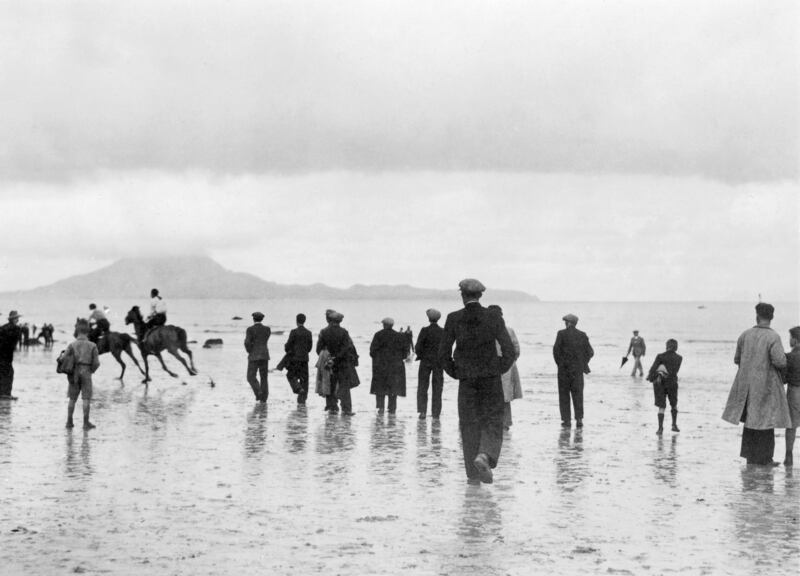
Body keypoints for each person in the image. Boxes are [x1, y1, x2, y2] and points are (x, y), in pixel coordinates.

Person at [438, 279, 515, 485]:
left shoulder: (453, 318)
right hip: (490, 378)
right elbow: (509, 350)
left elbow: (443, 353)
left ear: (462, 295)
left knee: (469, 424)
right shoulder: (493, 317)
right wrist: (498, 368)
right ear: (480, 295)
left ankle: (473, 477)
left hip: (467, 380)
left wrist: (456, 371)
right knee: (492, 420)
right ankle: (486, 455)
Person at [722, 303, 791, 466]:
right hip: (766, 384)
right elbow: (780, 361)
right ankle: (766, 459)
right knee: (767, 420)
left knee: (751, 419)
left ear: (757, 316)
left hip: (745, 384)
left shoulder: (745, 335)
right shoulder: (773, 337)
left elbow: (736, 359)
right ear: (772, 318)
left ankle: (750, 456)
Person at [553, 313, 594, 428]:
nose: (565, 323)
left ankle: (566, 420)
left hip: (563, 371)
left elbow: (556, 351)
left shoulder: (561, 334)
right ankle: (579, 419)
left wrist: (560, 364)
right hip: (577, 371)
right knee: (578, 395)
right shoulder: (582, 335)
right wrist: (582, 363)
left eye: (565, 322)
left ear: (568, 323)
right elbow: (590, 352)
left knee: (564, 395)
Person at [316, 311, 359, 415]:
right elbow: (346, 348)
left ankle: (332, 407)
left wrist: (329, 358)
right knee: (344, 386)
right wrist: (337, 357)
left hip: (328, 363)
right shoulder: (344, 332)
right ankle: (346, 409)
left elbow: (318, 349)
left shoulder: (323, 332)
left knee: (329, 384)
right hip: (342, 363)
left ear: (330, 320)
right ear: (340, 321)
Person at [488, 305, 522, 430]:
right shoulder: (509, 330)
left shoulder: (485, 330)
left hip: (489, 366)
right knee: (505, 397)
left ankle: (491, 422)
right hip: (507, 366)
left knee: (489, 395)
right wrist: (512, 361)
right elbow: (516, 349)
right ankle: (506, 423)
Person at [64, 319, 101, 429]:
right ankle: (85, 423)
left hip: (74, 372)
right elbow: (97, 363)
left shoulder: (72, 344)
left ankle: (69, 422)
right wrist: (91, 370)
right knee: (86, 398)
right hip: (87, 372)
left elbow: (65, 358)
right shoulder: (92, 345)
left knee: (72, 398)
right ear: (88, 331)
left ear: (77, 330)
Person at [369, 317, 407, 414]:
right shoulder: (399, 336)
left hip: (381, 366)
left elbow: (372, 351)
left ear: (384, 325)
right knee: (393, 389)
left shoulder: (378, 335)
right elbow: (405, 354)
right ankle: (392, 409)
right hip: (395, 366)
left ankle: (380, 408)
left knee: (380, 388)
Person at [646, 339, 683, 435]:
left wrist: (654, 375)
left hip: (660, 383)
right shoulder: (679, 358)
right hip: (672, 383)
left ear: (667, 346)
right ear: (676, 347)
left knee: (661, 407)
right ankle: (674, 425)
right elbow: (675, 371)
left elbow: (653, 369)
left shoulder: (660, 356)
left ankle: (660, 428)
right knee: (674, 404)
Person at [415, 308, 444, 419]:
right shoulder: (442, 331)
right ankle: (436, 413)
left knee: (422, 387)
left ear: (429, 318)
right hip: (438, 362)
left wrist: (421, 355)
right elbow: (446, 347)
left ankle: (422, 412)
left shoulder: (424, 330)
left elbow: (418, 347)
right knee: (437, 388)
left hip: (425, 361)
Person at [284, 313, 313, 405]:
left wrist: (287, 348)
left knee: (290, 375)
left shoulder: (293, 332)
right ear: (304, 321)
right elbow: (309, 348)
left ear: (296, 321)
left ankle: (297, 388)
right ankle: (302, 400)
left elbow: (288, 345)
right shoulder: (309, 333)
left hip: (295, 358)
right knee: (304, 379)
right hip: (304, 358)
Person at [782, 326, 800, 466]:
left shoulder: (789, 357)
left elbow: (783, 379)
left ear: (794, 340)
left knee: (792, 426)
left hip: (794, 391)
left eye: (790, 338)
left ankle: (789, 455)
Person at [244, 311, 271, 403]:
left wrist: (250, 351)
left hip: (254, 355)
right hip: (264, 355)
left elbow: (247, 342)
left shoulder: (250, 329)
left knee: (250, 377)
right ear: (262, 319)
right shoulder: (267, 329)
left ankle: (258, 392)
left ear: (253, 319)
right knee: (264, 377)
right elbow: (265, 339)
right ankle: (264, 397)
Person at [0, 310, 22, 400]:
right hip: (7, 356)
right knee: (9, 374)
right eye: (17, 318)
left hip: (2, 354)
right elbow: (13, 343)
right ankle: (5, 394)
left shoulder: (2, 328)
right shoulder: (16, 329)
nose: (18, 320)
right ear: (13, 319)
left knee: (2, 373)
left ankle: (2, 393)